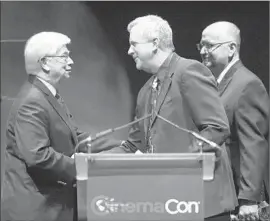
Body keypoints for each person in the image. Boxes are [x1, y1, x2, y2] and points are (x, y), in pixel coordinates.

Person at [105, 15, 238, 221]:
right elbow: (133, 146)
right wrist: (93, 161)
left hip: (204, 204)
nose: (129, 51)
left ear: (155, 43)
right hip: (170, 204)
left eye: (133, 44)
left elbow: (217, 128)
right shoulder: (145, 91)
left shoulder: (189, 71)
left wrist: (176, 165)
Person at [1, 32, 120, 221]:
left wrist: (123, 147)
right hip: (38, 211)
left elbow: (77, 138)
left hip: (53, 206)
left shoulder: (46, 95)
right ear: (45, 63)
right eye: (64, 56)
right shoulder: (32, 101)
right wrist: (81, 167)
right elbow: (37, 156)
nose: (71, 61)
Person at [198, 21, 269, 220]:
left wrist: (249, 199)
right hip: (219, 192)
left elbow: (253, 145)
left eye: (209, 45)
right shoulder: (215, 83)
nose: (203, 51)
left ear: (231, 48)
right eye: (201, 45)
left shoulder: (247, 84)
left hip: (239, 200)